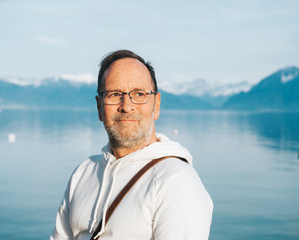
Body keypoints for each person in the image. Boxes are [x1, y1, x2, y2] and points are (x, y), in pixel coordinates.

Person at [50, 50, 213, 240]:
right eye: (114, 94)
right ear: (99, 107)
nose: (126, 105)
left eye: (139, 93)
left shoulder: (177, 181)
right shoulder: (84, 173)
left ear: (156, 105)